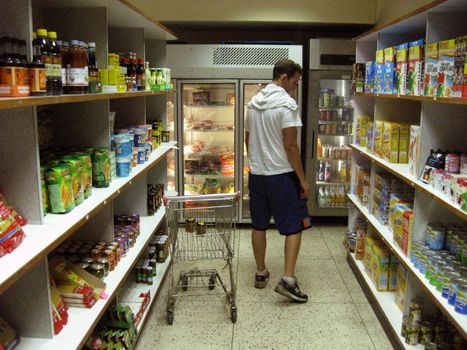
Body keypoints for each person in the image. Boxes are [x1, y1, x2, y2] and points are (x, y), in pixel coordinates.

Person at [245, 59, 311, 303]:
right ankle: (288, 280)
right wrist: (302, 179)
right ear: (284, 77)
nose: (296, 86)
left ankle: (261, 273)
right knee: (294, 226)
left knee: (258, 225)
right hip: (282, 175)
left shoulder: (253, 103)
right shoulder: (286, 104)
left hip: (258, 175)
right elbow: (291, 145)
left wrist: (256, 162)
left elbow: (247, 139)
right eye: (295, 81)